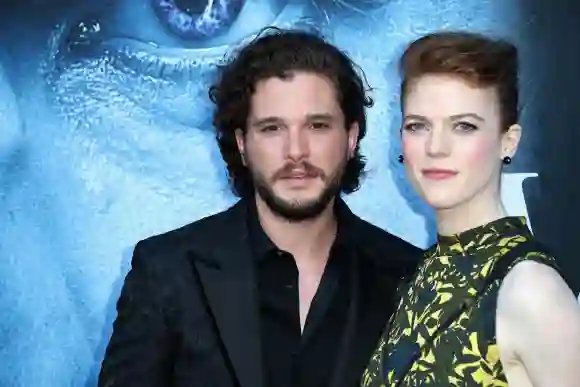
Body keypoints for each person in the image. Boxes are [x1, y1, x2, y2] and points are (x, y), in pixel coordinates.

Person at [97, 27, 421, 387]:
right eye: (272, 129)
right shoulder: (167, 271)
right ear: (242, 145)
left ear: (350, 138)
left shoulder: (411, 277)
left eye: (317, 125)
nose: (296, 151)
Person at [361, 31, 580, 387]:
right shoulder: (425, 272)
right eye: (418, 125)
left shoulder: (530, 290)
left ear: (507, 141)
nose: (436, 147)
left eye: (464, 126)